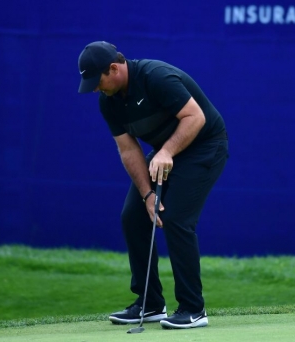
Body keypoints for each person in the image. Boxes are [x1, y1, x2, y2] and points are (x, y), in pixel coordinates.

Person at [77, 41, 228, 330]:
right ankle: (150, 304)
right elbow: (128, 150)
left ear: (114, 68)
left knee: (178, 220)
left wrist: (168, 151)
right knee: (133, 216)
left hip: (205, 147)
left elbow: (196, 117)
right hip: (165, 151)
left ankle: (193, 309)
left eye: (98, 81)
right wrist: (147, 194)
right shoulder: (108, 101)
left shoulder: (155, 76)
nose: (96, 88)